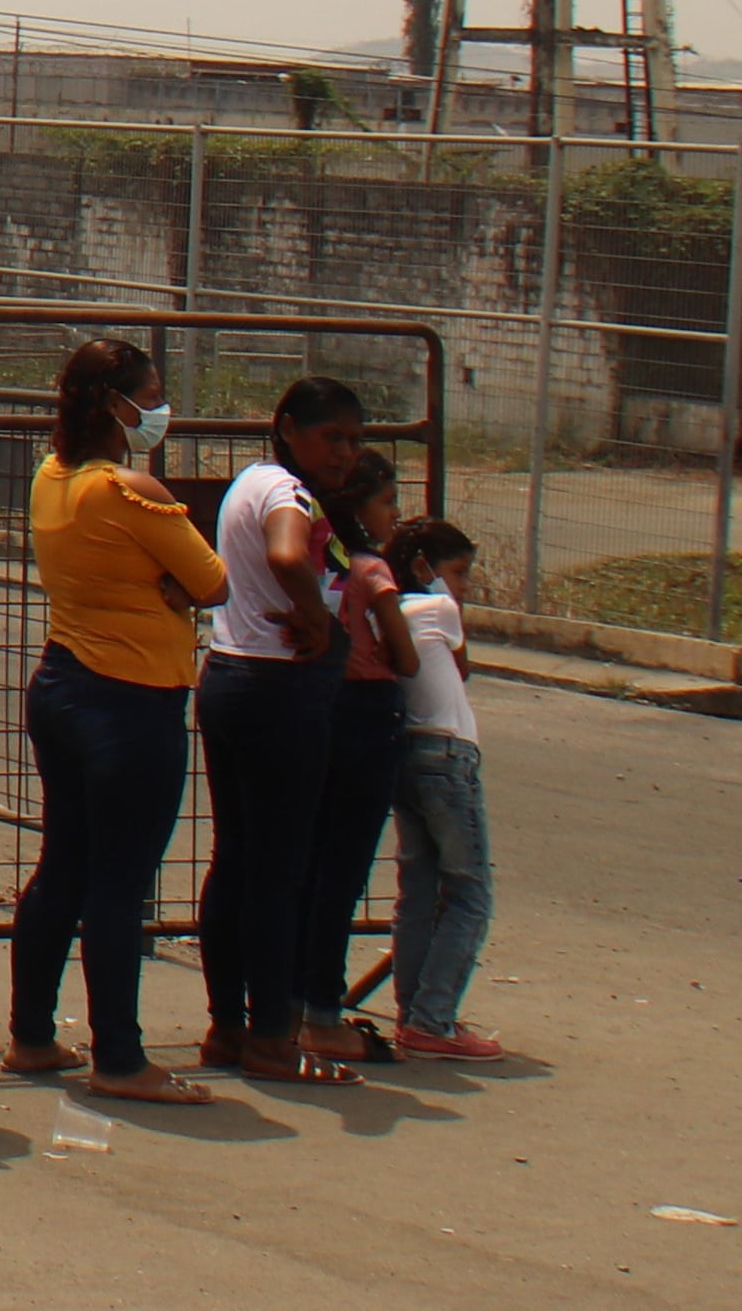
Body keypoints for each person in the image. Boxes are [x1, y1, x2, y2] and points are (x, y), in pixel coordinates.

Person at [4, 337, 230, 1104]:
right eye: (151, 392)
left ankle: (31, 1033)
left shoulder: (50, 477)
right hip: (134, 695)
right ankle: (121, 1056)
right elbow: (213, 579)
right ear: (116, 404)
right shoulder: (131, 490)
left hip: (63, 680)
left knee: (63, 864)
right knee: (118, 880)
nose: (159, 408)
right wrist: (168, 576)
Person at [195, 376, 366, 1083]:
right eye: (333, 437)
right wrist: (321, 620)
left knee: (236, 859)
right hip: (279, 688)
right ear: (288, 427)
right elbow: (292, 555)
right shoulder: (287, 495)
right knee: (278, 869)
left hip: (232, 677)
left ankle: (228, 1027)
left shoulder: (251, 482)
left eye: (355, 440)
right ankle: (271, 1034)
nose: (346, 454)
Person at [293, 450, 423, 1073]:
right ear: (359, 506)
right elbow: (407, 659)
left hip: (315, 703)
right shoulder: (373, 572)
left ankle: (285, 1007)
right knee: (342, 873)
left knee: (306, 865)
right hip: (368, 715)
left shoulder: (325, 563)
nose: (396, 513)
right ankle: (322, 1013)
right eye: (388, 501)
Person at [383, 513, 509, 1060]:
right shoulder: (437, 607)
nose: (461, 588)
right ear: (425, 570)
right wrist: (441, 593)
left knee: (419, 891)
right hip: (449, 756)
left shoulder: (388, 610)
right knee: (470, 894)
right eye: (457, 573)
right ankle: (434, 1018)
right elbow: (462, 669)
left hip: (408, 751)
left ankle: (414, 1012)